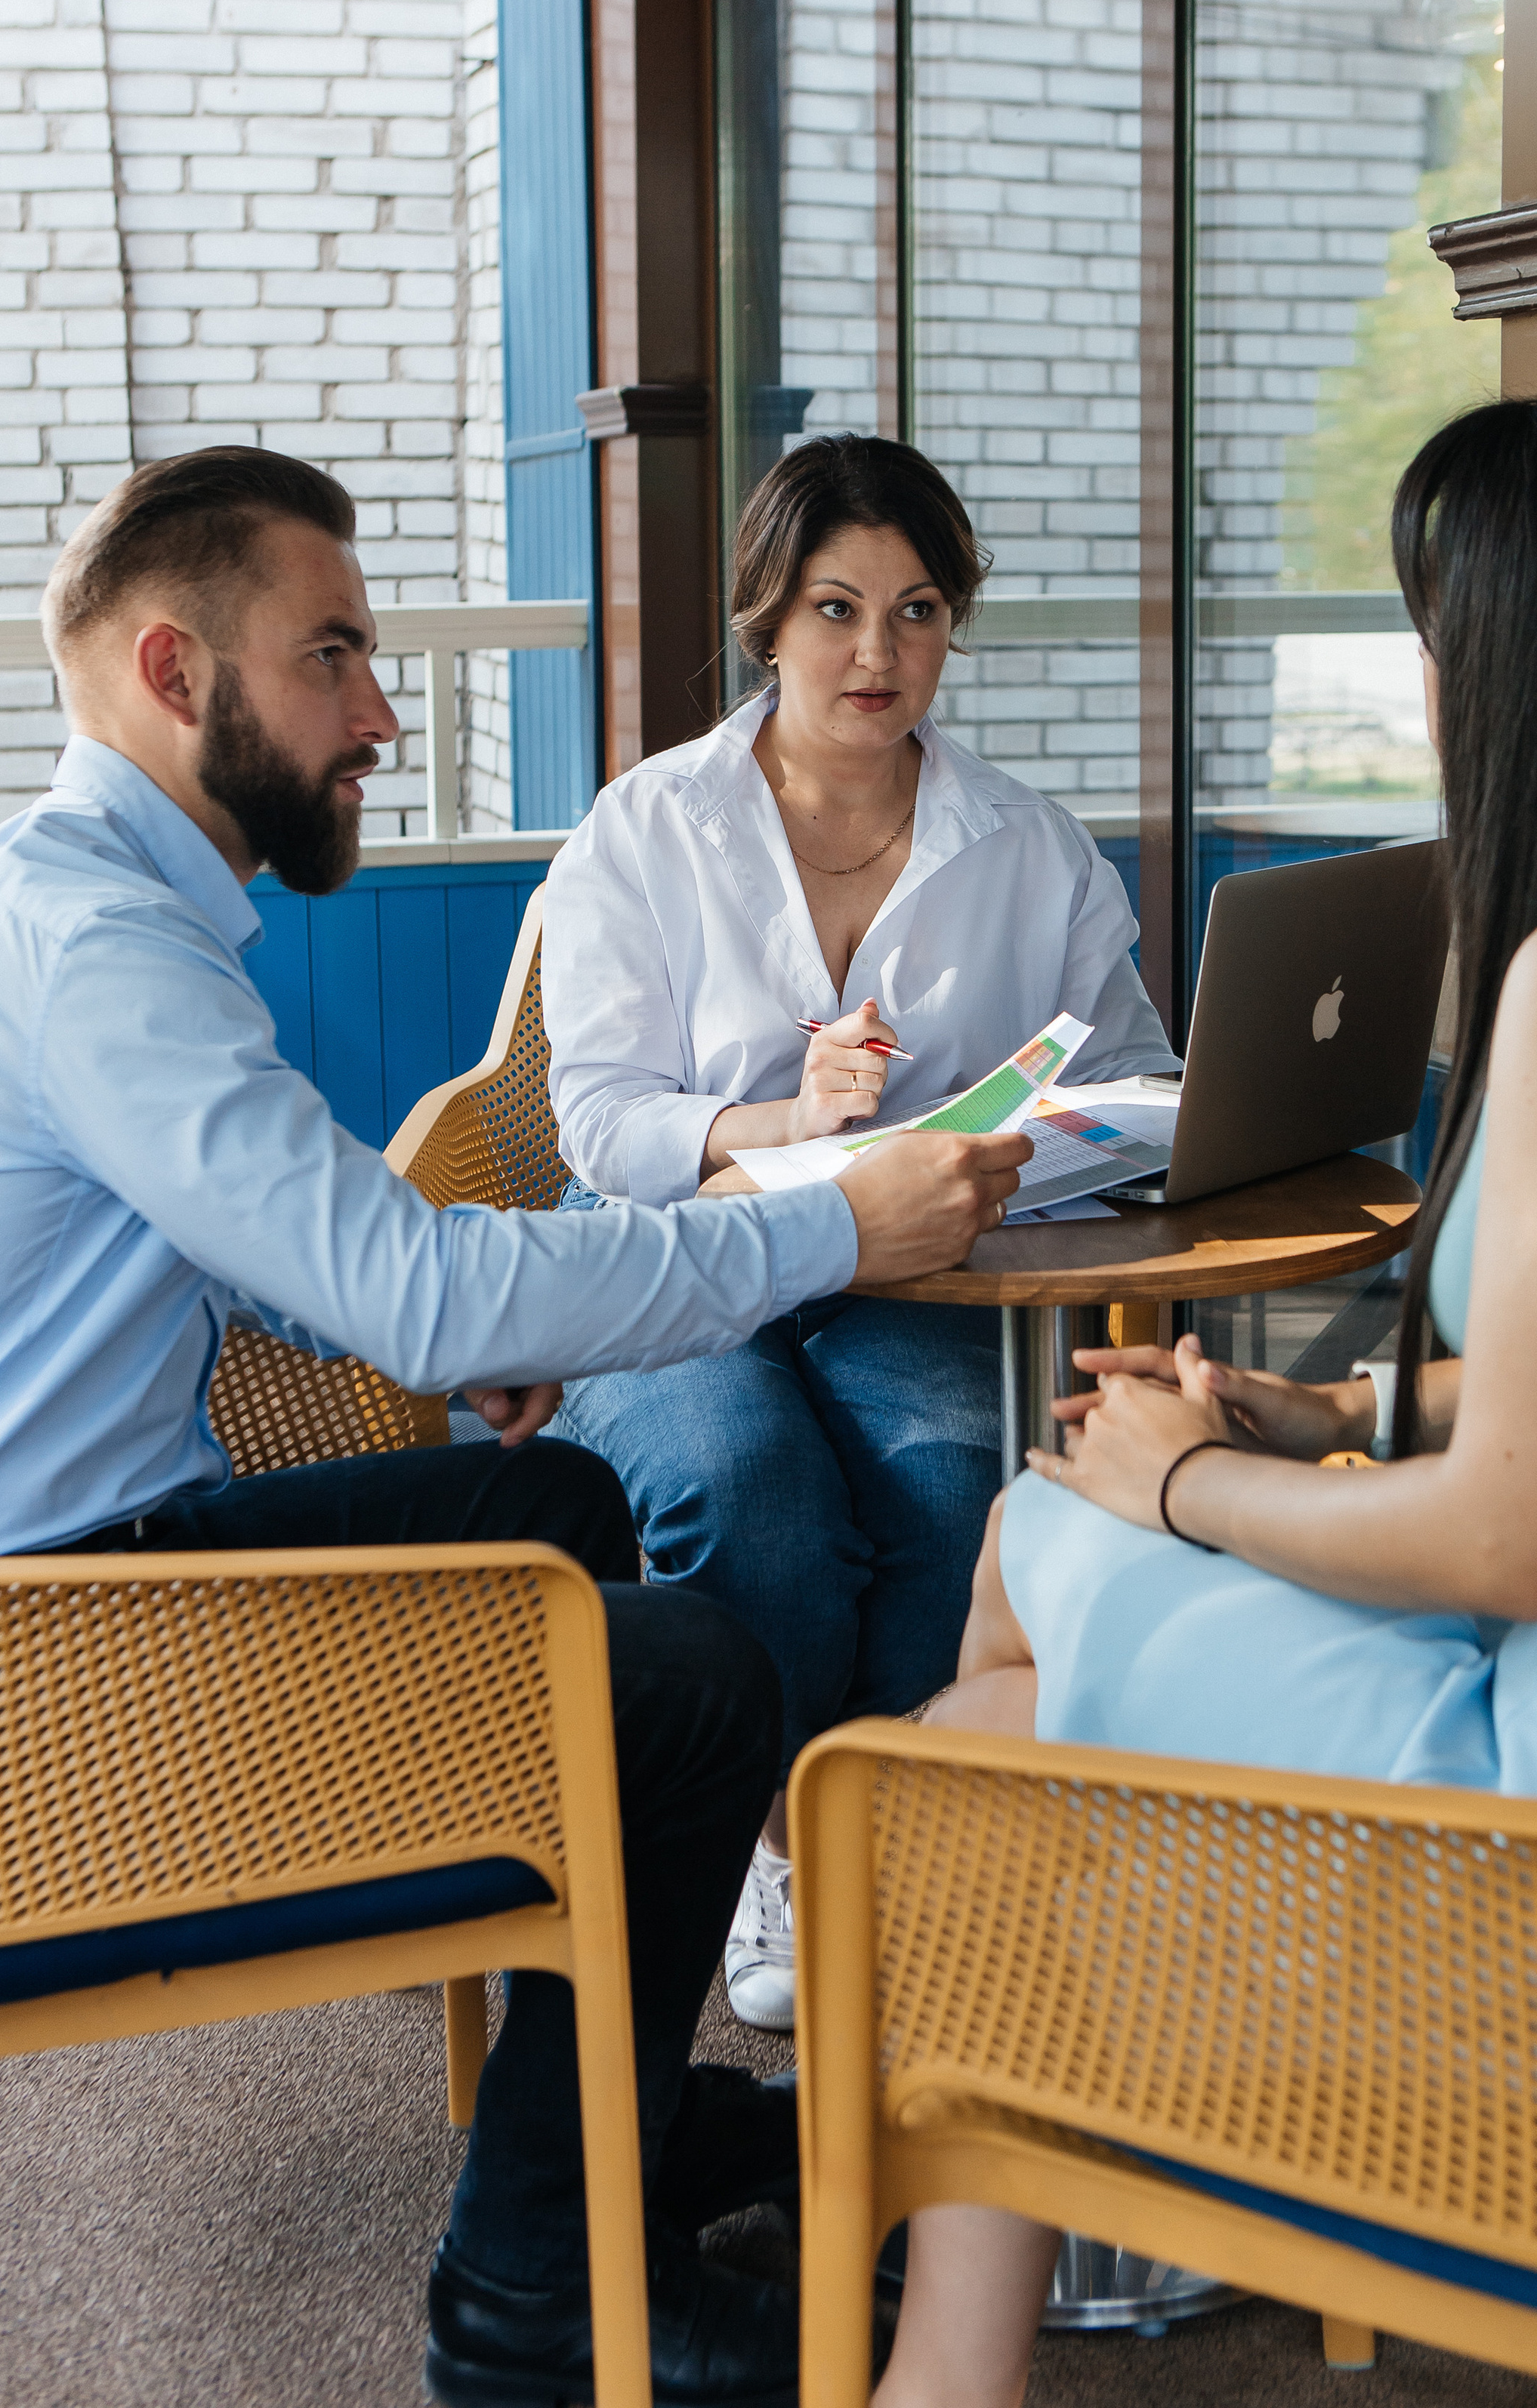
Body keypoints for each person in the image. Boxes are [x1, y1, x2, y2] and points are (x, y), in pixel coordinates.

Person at [0, 443, 1029, 2408]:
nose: (383, 716)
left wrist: (395, 1309)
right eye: (333, 656)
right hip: (15, 1684)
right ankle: (532, 2304)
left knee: (553, 1496)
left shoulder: (66, 910)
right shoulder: (93, 950)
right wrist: (835, 1227)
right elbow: (408, 1289)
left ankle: (610, 2118)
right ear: (174, 672)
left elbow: (219, 1241)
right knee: (694, 1681)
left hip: (8, 1610)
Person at [871, 368, 1537, 2408]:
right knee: (1004, 1691)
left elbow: (1515, 1541)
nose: (1428, 684)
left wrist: (1185, 1481)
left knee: (1011, 1625)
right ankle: (1024, 2246)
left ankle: (992, 2295)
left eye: (1439, 633)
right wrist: (1338, 1420)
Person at [541, 433, 1175, 2028]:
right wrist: (782, 1125)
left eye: (916, 612)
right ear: (767, 617)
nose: (876, 653)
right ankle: (771, 1840)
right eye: (835, 608)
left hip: (909, 1270)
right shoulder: (647, 826)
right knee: (746, 1488)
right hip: (677, 1259)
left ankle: (884, 1833)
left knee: (949, 1484)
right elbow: (598, 1122)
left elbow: (1135, 1071)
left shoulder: (1027, 844)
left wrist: (1047, 1140)